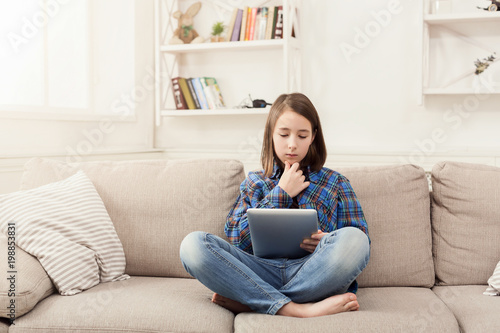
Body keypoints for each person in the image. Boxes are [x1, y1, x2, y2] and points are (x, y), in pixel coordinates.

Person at [180, 93, 370, 318]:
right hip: (259, 271)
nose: (292, 144)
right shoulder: (255, 181)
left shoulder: (336, 182)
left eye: (302, 135)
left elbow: (360, 243)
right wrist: (281, 193)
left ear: (313, 137)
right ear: (271, 135)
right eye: (283, 134)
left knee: (355, 240)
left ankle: (256, 301)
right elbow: (236, 239)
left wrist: (325, 240)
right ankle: (296, 309)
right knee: (193, 245)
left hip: (314, 272)